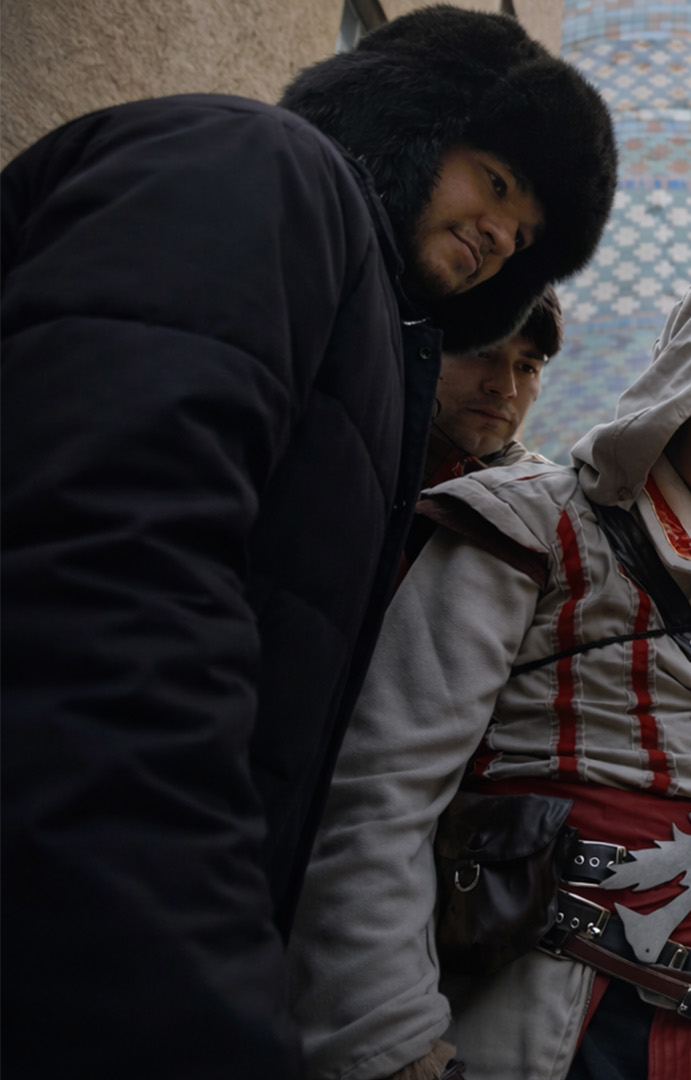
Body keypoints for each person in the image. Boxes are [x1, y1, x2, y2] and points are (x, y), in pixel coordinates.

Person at [0, 8, 614, 1078]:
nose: (498, 236)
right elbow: (104, 582)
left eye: (523, 237)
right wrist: (194, 984)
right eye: (496, 183)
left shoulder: (371, 337)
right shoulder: (259, 169)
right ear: (417, 117)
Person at [288, 279, 691, 1080]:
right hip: (538, 1013)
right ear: (684, 396)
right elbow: (384, 785)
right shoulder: (524, 524)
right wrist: (385, 1028)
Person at [424, 285, 565, 489]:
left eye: (527, 368)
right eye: (481, 353)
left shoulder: (549, 498)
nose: (506, 388)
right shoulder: (376, 462)